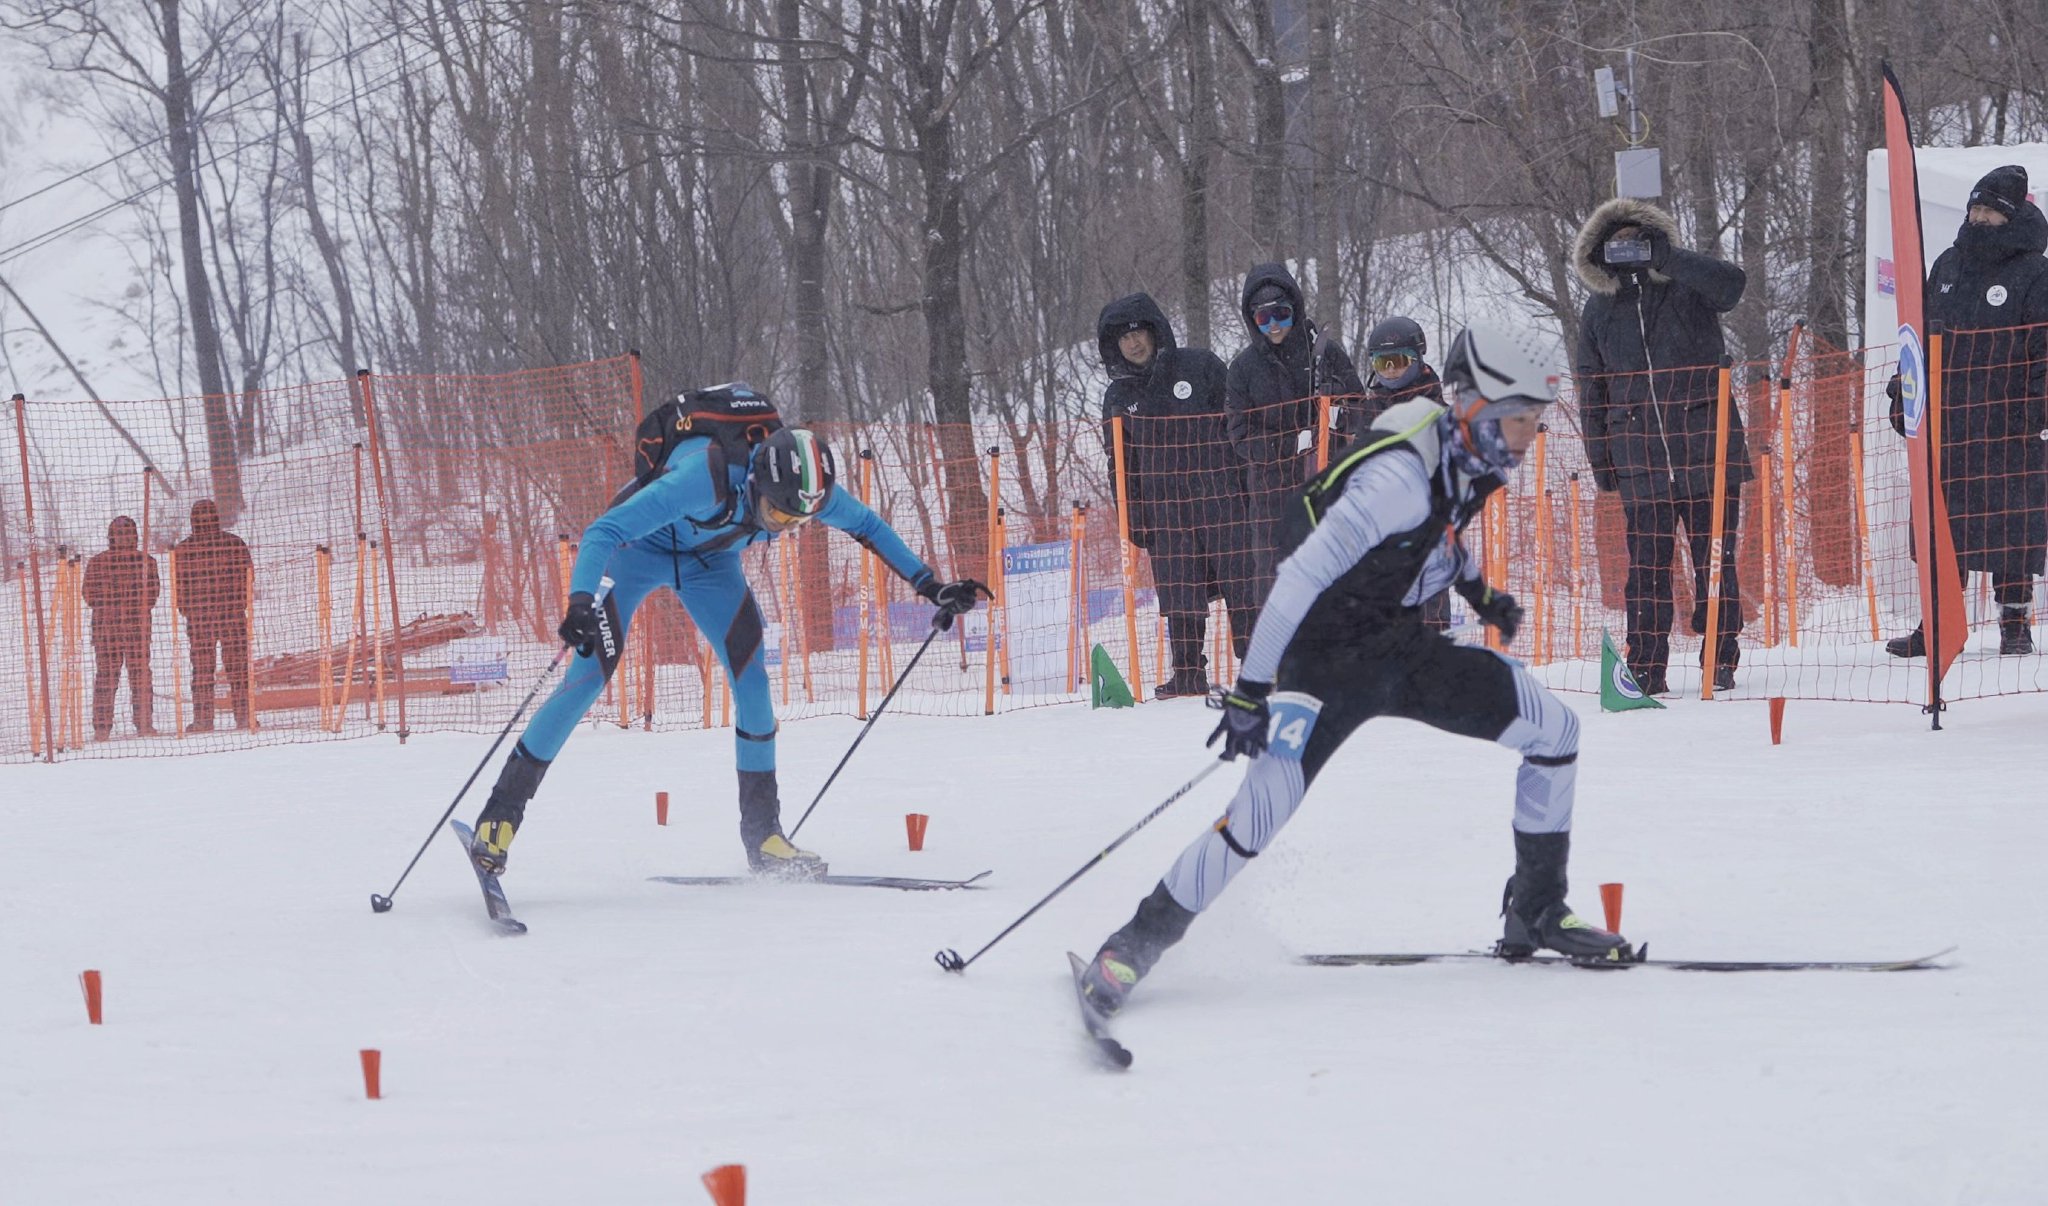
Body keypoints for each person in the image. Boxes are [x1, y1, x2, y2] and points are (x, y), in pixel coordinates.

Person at [1076, 326, 1631, 1018]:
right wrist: (1251, 692)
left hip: (1399, 645)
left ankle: (1538, 909)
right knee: (1257, 816)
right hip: (1322, 658)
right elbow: (1298, 578)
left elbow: (1438, 535)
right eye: (1518, 416)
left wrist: (1478, 591)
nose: (1528, 434)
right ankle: (1129, 947)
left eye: (1535, 418)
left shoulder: (1473, 453)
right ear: (1474, 404)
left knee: (1555, 730)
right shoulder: (1398, 477)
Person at [468, 402, 983, 880]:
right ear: (756, 480)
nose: (784, 525)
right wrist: (581, 600)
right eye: (779, 515)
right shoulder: (702, 479)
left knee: (754, 684)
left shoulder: (807, 488)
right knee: (585, 680)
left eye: (797, 521)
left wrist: (930, 586)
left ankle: (764, 838)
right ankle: (499, 819)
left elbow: (866, 524)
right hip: (637, 551)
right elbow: (604, 532)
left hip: (712, 565)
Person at [1575, 197, 1749, 695]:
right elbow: (1592, 387)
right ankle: (1647, 667)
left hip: (1708, 452)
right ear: (1601, 253)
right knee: (1645, 572)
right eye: (1618, 244)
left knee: (1714, 561)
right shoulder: (1599, 310)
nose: (1628, 250)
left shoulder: (1687, 289)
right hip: (1640, 462)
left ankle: (1721, 658)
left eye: (1638, 241)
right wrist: (1602, 461)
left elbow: (1731, 286)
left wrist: (1668, 259)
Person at [1884, 164, 2047, 658]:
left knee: (2011, 525)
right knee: (1940, 522)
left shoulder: (2036, 272)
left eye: (1990, 211)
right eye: (1974, 208)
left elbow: (2044, 349)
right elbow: (1921, 333)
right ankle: (1937, 622)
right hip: (1947, 421)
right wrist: (1903, 390)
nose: (1978, 218)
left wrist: (2034, 413)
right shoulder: (1949, 264)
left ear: (2013, 216)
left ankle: (2015, 622)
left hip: (2008, 423)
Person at [1098, 293, 1257, 699]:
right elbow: (1120, 464)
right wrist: (1131, 517)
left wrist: (1248, 490)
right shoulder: (1118, 398)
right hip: (1165, 509)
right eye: (1123, 339)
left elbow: (1238, 427)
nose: (1133, 344)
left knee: (1243, 584)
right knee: (1178, 591)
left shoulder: (1200, 366)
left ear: (1154, 331)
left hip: (1222, 498)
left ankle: (1259, 667)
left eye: (1138, 333)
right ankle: (1188, 673)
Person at [1225, 263, 1365, 592]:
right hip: (1271, 499)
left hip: (1328, 486)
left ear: (1295, 310)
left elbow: (1360, 410)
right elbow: (1240, 437)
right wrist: (1295, 443)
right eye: (1264, 318)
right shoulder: (1243, 369)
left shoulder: (1326, 353)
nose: (1274, 326)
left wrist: (1335, 416)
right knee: (1278, 591)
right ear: (1252, 320)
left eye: (1282, 315)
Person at [172, 498, 254, 731]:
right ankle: (203, 718)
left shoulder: (234, 544)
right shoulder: (184, 550)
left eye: (209, 517)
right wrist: (190, 610)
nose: (205, 522)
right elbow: (179, 585)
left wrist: (236, 605)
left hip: (231, 617)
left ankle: (244, 714)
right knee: (202, 670)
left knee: (238, 668)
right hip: (200, 620)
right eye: (201, 518)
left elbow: (246, 578)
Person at [82, 515, 160, 740]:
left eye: (129, 534)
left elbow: (152, 594)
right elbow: (89, 594)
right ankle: (102, 726)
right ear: (111, 537)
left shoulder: (147, 562)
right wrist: (114, 605)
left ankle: (144, 723)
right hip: (107, 630)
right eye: (120, 534)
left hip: (137, 629)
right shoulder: (97, 563)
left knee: (140, 676)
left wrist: (134, 606)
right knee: (106, 677)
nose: (124, 539)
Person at [1334, 315, 1443, 438]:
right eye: (1382, 363)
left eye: (1398, 361)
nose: (1391, 369)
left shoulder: (1438, 413)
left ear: (1416, 360)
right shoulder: (1369, 412)